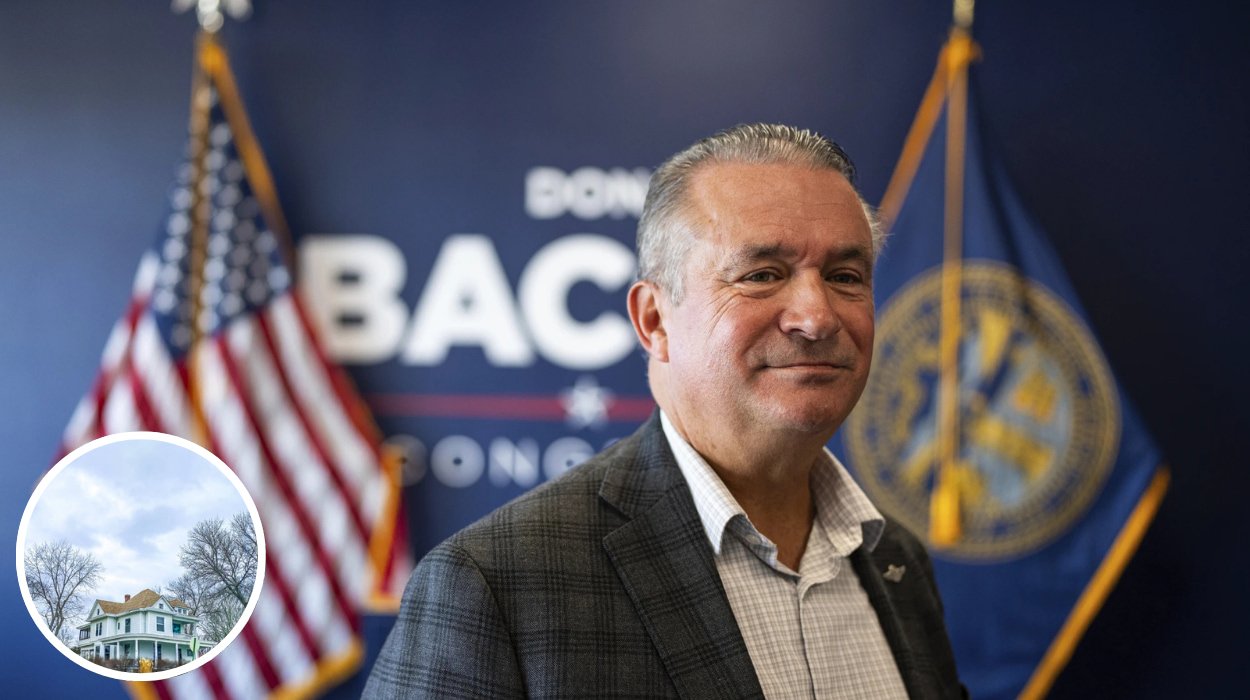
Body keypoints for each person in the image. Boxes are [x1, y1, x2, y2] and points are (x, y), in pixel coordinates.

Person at [364, 124, 964, 699]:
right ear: (654, 321)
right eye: (762, 274)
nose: (817, 316)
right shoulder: (495, 583)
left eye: (845, 276)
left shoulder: (896, 561)